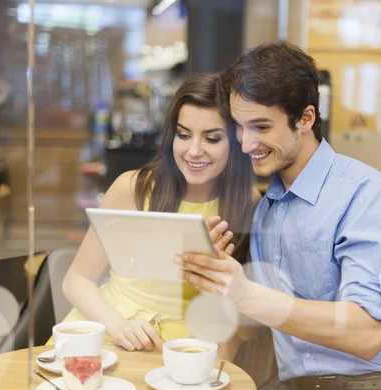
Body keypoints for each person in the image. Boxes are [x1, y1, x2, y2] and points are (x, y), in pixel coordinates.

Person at [176, 42, 381, 390]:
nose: (246, 144)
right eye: (240, 128)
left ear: (305, 118)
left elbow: (367, 335)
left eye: (261, 127)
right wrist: (217, 278)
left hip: (372, 388)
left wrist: (247, 292)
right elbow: (250, 330)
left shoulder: (366, 196)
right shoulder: (267, 209)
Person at [60, 74, 259, 360]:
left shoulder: (247, 202)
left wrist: (219, 279)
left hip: (189, 346)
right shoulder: (134, 188)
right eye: (183, 134)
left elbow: (248, 331)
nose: (193, 150)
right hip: (112, 327)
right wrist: (119, 326)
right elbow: (76, 279)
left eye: (212, 138)